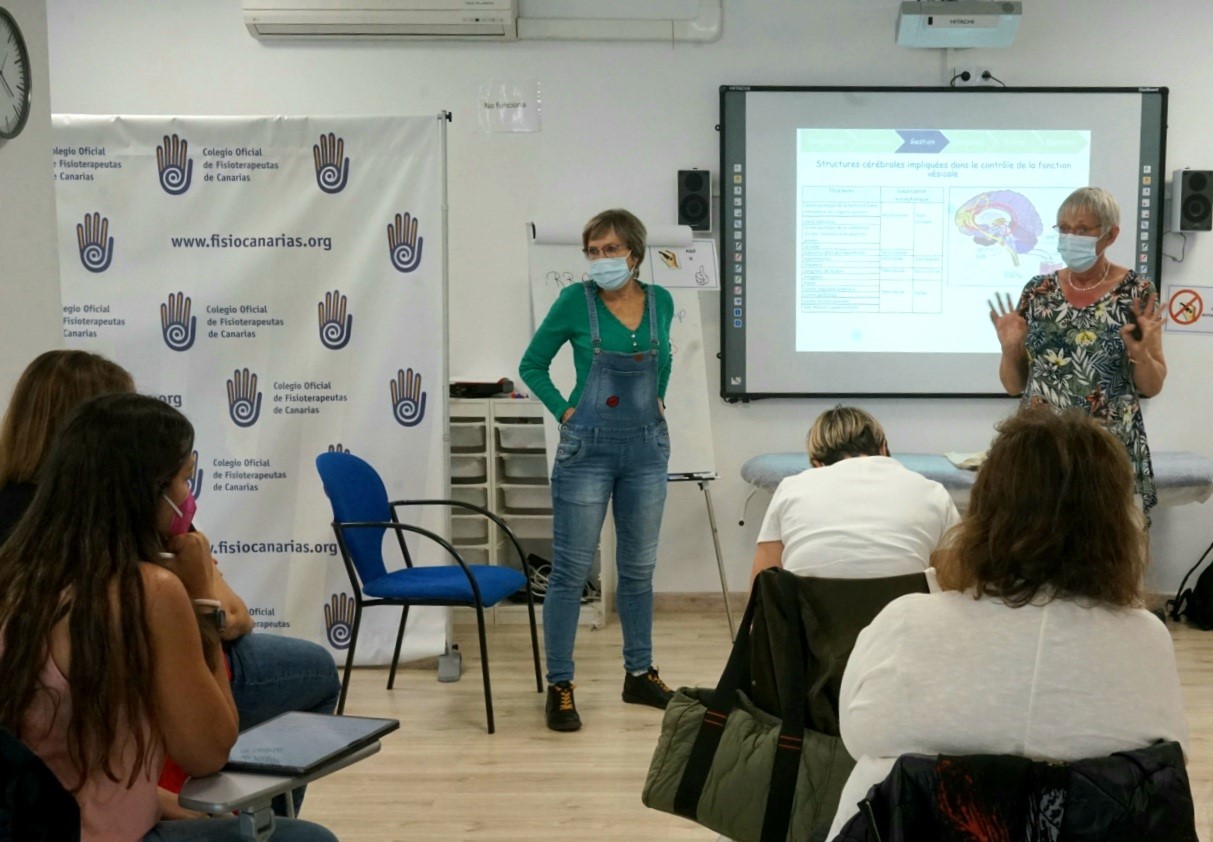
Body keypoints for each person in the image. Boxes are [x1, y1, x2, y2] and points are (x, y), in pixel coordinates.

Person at [0, 350, 340, 817]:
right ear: (144, 484)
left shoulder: (22, 562)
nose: (189, 494)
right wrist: (198, 601)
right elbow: (208, 750)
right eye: (184, 478)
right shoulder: (148, 588)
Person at [825, 407, 1189, 839]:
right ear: (1115, 524)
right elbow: (1166, 763)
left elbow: (856, 738)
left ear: (985, 509)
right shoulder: (1145, 638)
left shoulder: (905, 620)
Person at [519, 208, 675, 732]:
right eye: (592, 251)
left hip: (647, 452)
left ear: (634, 251)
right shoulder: (574, 302)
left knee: (638, 571)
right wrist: (566, 411)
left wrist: (660, 401)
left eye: (611, 249)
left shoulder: (661, 302)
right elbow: (531, 365)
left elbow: (665, 361)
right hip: (587, 451)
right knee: (570, 573)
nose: (602, 260)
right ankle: (560, 685)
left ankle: (640, 673)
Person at [988, 186, 1166, 515]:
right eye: (1065, 228)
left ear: (1111, 234)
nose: (1072, 236)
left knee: (1102, 553)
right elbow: (1014, 386)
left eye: (1083, 229)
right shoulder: (1038, 290)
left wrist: (1140, 353)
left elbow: (1152, 385)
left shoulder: (1137, 291)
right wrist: (1010, 349)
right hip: (1041, 448)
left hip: (1105, 451)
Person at [749, 406, 958, 584]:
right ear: (883, 448)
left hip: (810, 627)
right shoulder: (932, 491)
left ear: (816, 463)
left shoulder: (791, 488)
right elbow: (954, 582)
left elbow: (764, 583)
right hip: (904, 626)